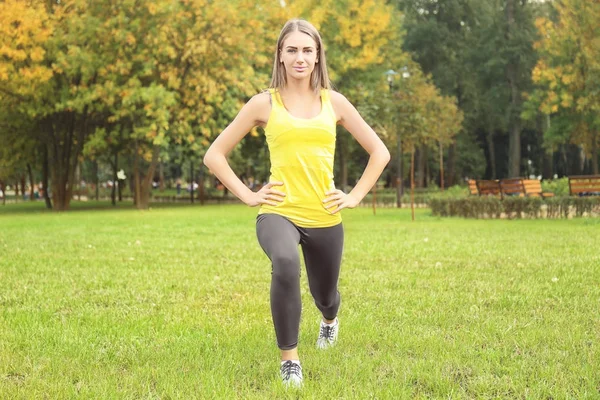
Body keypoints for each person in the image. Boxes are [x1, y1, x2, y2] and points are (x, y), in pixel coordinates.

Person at [203, 19, 390, 387]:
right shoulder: (263, 103)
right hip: (278, 212)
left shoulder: (333, 102)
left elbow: (379, 152)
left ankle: (329, 322)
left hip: (324, 214)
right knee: (285, 263)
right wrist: (250, 195)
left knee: (327, 296)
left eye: (307, 50)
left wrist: (353, 196)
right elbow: (215, 155)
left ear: (318, 55)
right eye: (292, 50)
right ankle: (290, 360)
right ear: (281, 55)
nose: (300, 57)